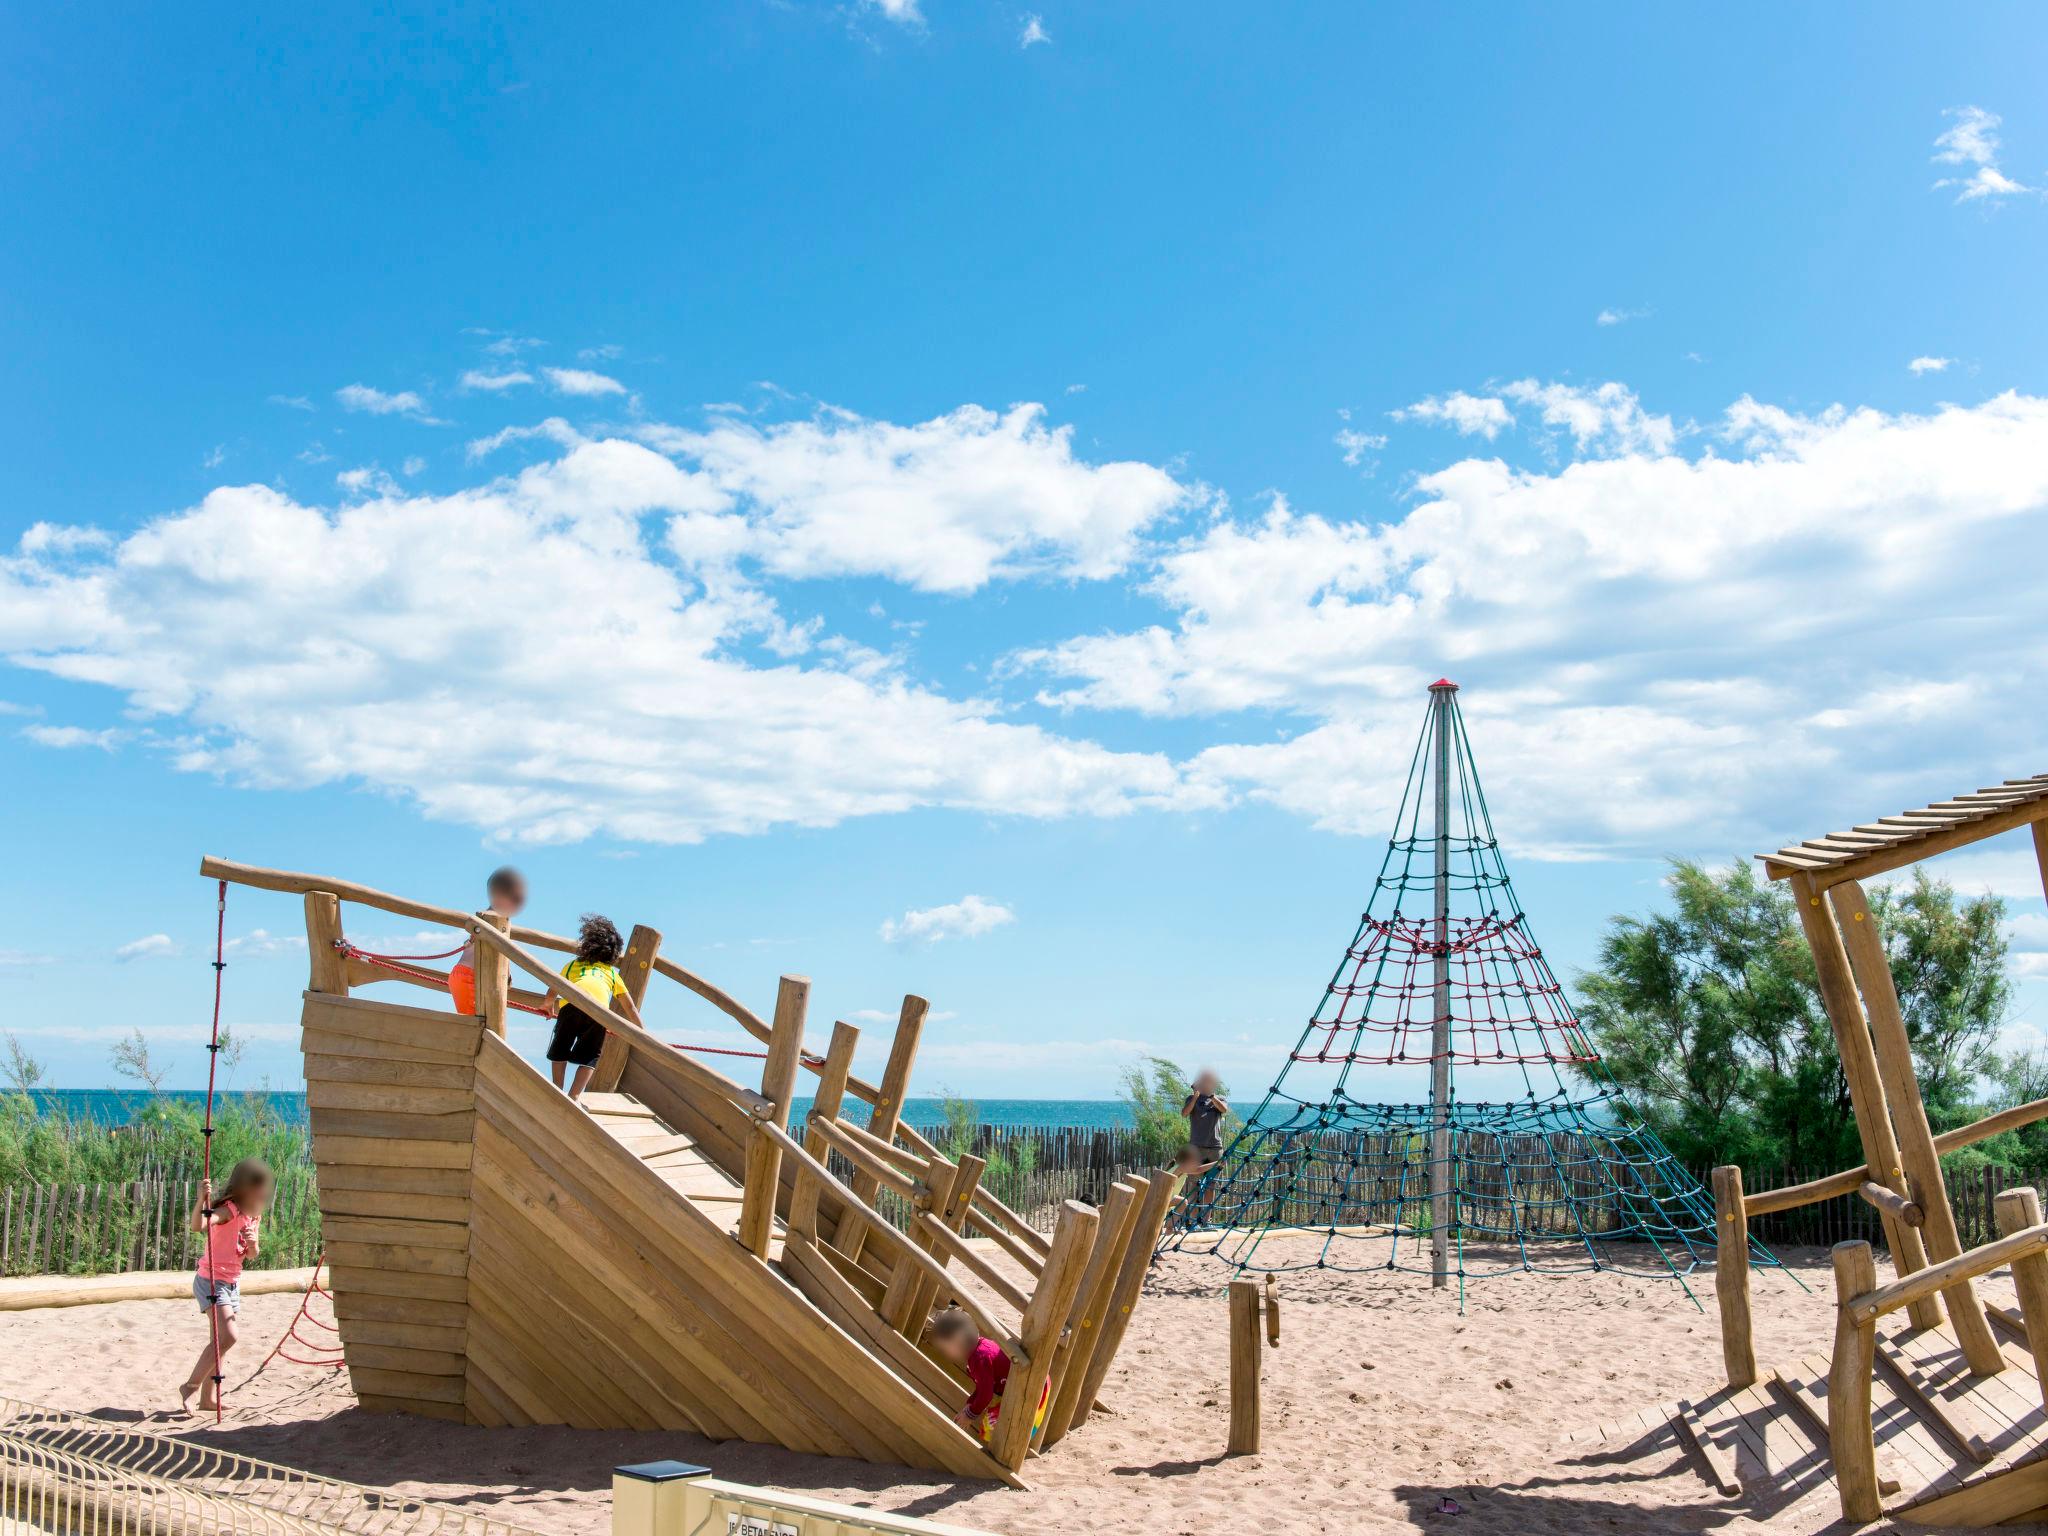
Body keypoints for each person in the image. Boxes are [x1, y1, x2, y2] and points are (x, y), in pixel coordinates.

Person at [178, 1157, 274, 1414]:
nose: (263, 1192)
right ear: (245, 1187)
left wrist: (253, 1244)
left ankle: (208, 1400)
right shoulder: (229, 1210)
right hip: (211, 1280)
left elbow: (252, 1255)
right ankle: (190, 1386)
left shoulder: (254, 1215)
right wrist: (202, 1200)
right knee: (228, 1336)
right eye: (258, 1187)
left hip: (232, 1283)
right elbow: (199, 1225)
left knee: (218, 1341)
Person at [549, 913, 643, 1101]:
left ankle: (557, 1089)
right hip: (598, 1013)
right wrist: (640, 1031)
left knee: (561, 1049)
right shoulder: (611, 973)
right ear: (613, 953)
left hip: (571, 1006)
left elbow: (554, 986)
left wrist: (547, 1004)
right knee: (590, 1057)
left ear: (587, 946)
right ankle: (574, 1094)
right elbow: (630, 1007)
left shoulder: (573, 965)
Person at [928, 1305, 1046, 1444]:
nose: (945, 1353)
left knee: (991, 1427)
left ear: (956, 1340)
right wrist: (971, 1404)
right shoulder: (979, 1351)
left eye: (944, 1348)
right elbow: (982, 1385)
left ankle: (1003, 1452)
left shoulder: (979, 1359)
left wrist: (970, 1415)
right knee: (992, 1425)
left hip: (1032, 1389)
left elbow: (986, 1394)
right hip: (1032, 1385)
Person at [448, 866, 527, 1015]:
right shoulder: (498, 921)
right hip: (471, 977)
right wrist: (508, 977)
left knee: (475, 1026)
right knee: (480, 1027)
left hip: (461, 973)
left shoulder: (483, 917)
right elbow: (503, 952)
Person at [1181, 1070, 1230, 1163]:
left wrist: (1211, 1096)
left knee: (1214, 1177)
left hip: (1215, 1147)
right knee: (1193, 1177)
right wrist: (1195, 1097)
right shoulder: (1191, 1099)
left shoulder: (1220, 1099)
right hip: (1196, 1147)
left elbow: (1224, 1109)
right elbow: (1184, 1113)